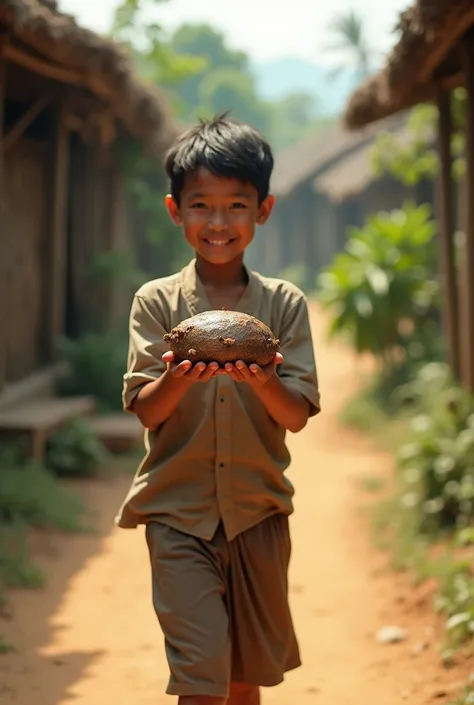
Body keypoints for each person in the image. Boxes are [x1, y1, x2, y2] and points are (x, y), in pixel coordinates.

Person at [116, 113, 321, 705]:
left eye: (236, 205)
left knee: (241, 679)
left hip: (258, 514)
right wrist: (180, 376)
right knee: (201, 678)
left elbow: (295, 415)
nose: (218, 222)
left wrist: (261, 377)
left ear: (264, 209)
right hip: (179, 517)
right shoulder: (156, 303)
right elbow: (148, 412)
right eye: (201, 205)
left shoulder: (284, 305)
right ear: (175, 210)